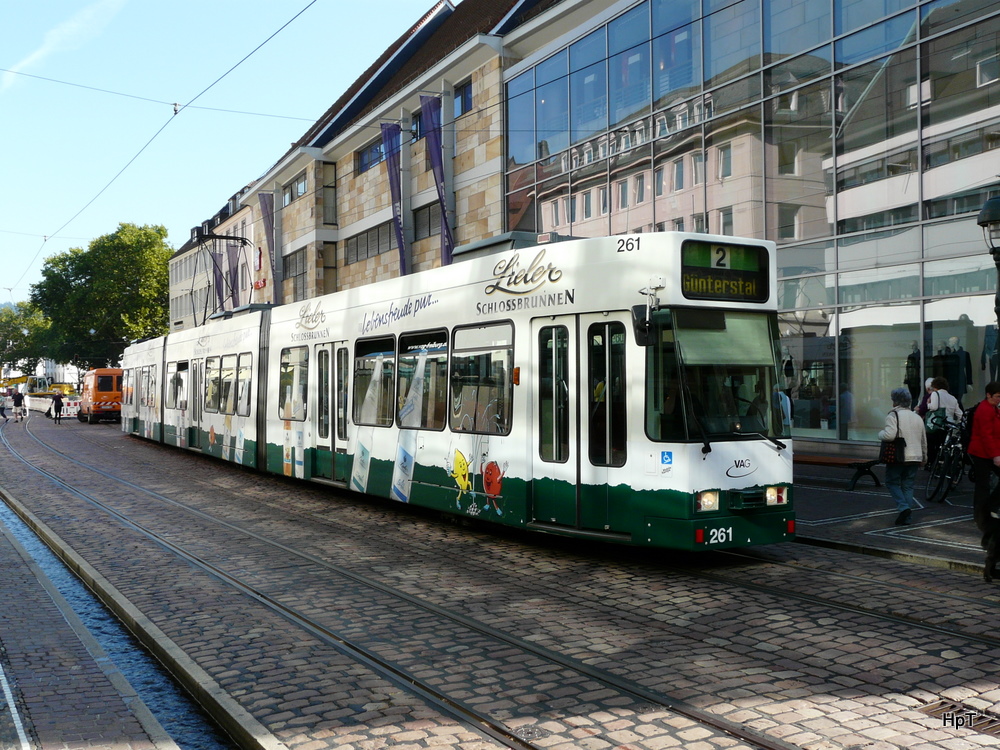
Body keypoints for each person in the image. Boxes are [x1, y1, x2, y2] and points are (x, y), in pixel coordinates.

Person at [878, 387, 927, 526]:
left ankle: (903, 508)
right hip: (915, 456)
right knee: (908, 485)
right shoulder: (917, 417)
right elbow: (923, 440)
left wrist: (880, 434)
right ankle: (907, 516)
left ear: (895, 401)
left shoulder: (893, 415)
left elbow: (889, 435)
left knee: (892, 482)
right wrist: (924, 457)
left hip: (899, 456)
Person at [966, 381, 1000, 539]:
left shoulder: (993, 408)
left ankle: (989, 508)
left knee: (984, 485)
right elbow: (986, 435)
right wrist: (995, 455)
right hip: (981, 453)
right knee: (983, 485)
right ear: (988, 395)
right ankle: (981, 516)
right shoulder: (985, 410)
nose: (999, 399)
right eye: (997, 397)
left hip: (989, 452)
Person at [925, 376, 962, 465]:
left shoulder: (935, 394)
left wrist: (928, 404)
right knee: (944, 445)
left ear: (935, 386)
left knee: (932, 444)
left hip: (937, 424)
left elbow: (934, 407)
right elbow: (959, 414)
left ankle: (932, 464)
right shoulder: (952, 398)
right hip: (949, 425)